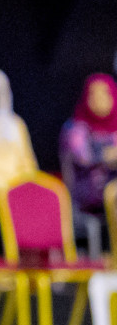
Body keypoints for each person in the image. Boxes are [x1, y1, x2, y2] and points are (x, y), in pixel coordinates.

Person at [60, 74, 117, 217]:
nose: (99, 100)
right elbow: (85, 157)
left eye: (104, 94)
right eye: (93, 95)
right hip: (87, 201)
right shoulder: (75, 128)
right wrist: (108, 155)